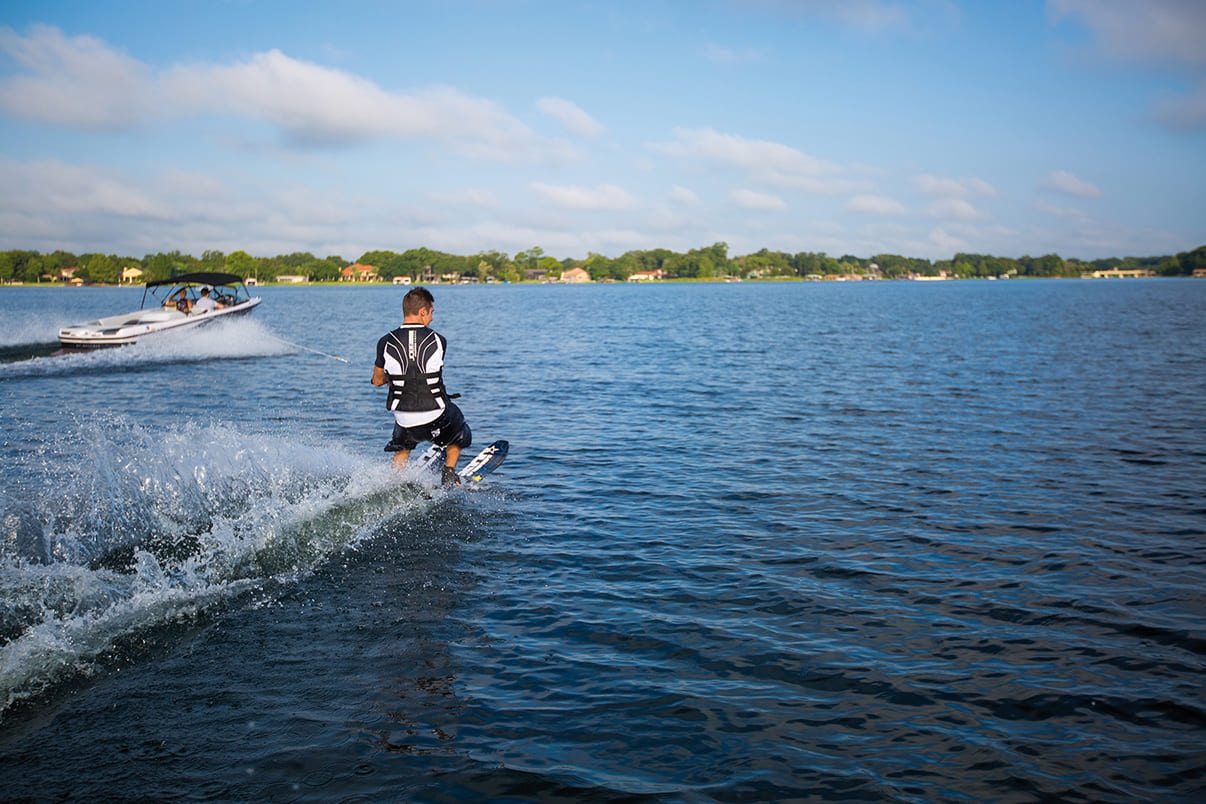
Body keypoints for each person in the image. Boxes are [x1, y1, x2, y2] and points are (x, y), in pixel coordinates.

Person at [371, 286, 472, 484]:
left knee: (402, 447)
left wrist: (391, 378)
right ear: (423, 311)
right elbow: (421, 371)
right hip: (436, 415)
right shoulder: (439, 340)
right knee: (460, 428)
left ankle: (395, 485)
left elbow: (377, 381)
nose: (432, 318)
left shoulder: (385, 341)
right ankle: (449, 472)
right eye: (431, 312)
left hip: (405, 419)